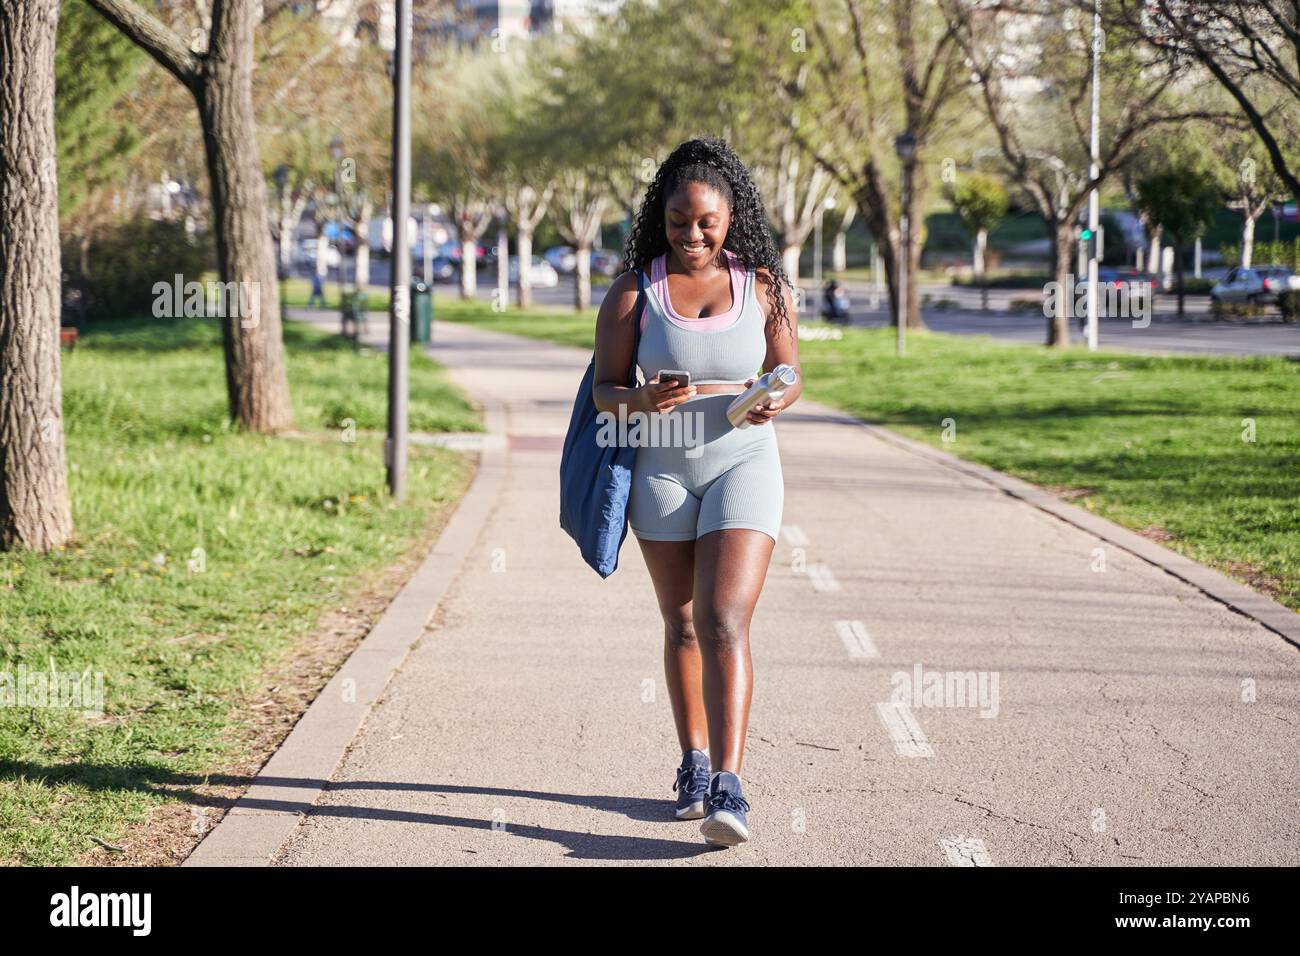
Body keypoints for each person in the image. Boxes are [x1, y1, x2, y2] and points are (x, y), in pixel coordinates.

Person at [592, 138, 802, 848]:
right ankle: (693, 760)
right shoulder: (632, 292)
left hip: (745, 461)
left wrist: (779, 396)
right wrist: (640, 400)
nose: (693, 234)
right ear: (663, 217)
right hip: (663, 471)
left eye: (706, 221)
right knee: (681, 623)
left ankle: (730, 785)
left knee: (723, 620)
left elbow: (790, 369)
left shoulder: (765, 287)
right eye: (680, 221)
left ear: (730, 213)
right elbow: (602, 394)